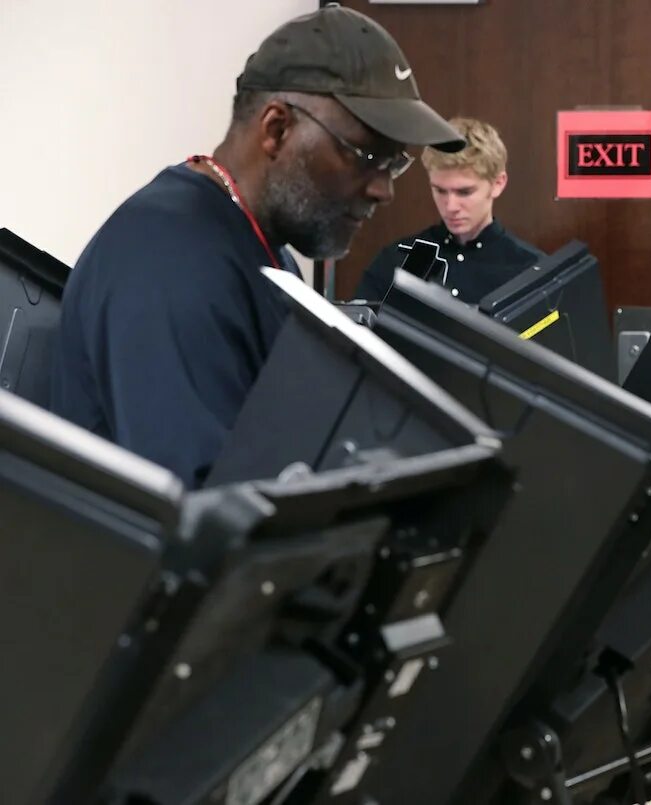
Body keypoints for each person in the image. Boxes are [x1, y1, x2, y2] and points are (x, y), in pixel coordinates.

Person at [51, 5, 464, 489]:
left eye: (395, 164)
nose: (383, 190)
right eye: (368, 156)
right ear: (277, 129)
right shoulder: (170, 267)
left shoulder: (263, 247)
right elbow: (205, 520)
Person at [355, 117, 543, 303]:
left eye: (464, 192)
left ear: (498, 184)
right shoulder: (394, 261)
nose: (451, 207)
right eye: (440, 190)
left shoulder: (531, 271)